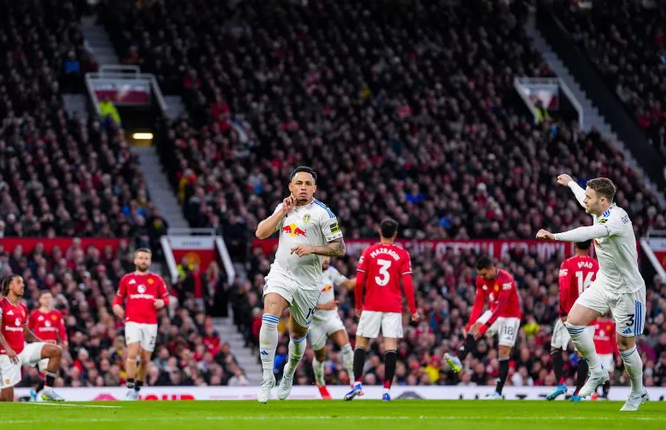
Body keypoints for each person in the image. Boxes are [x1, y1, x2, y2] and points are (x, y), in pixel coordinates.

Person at [536, 175, 648, 411]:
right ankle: (597, 371)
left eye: (589, 197)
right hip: (604, 282)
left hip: (628, 290)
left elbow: (586, 232)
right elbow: (582, 199)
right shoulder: (599, 209)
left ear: (603, 201)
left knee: (625, 346)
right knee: (574, 321)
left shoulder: (616, 219)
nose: (585, 200)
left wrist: (556, 236)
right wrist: (571, 184)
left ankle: (638, 392)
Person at [254, 166, 346, 404]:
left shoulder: (324, 214)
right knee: (269, 316)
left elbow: (340, 248)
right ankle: (267, 378)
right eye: (299, 183)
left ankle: (289, 372)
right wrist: (282, 212)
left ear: (314, 188)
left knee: (297, 335)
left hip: (308, 283)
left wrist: (312, 248)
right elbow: (260, 233)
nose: (303, 187)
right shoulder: (283, 208)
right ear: (291, 187)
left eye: (307, 184)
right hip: (281, 274)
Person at [345, 218, 418, 402]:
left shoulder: (369, 252)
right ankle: (386, 391)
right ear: (395, 234)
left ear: (379, 232)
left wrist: (358, 305)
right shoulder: (402, 254)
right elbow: (408, 284)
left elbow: (359, 282)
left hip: (371, 305)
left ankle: (358, 384)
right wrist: (413, 309)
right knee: (390, 347)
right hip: (393, 307)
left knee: (361, 344)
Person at [444, 256, 522, 400]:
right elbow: (478, 303)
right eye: (480, 274)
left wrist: (486, 326)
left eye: (484, 274)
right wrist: (470, 324)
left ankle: (498, 393)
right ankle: (459, 359)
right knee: (474, 328)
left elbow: (501, 306)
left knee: (503, 352)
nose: (482, 277)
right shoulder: (480, 280)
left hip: (510, 317)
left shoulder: (506, 280)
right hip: (493, 312)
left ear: (492, 269)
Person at [112, 248, 170, 401]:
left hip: (150, 324)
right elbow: (117, 300)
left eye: (146, 258)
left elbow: (166, 298)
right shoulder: (127, 279)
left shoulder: (157, 280)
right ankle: (129, 388)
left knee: (145, 359)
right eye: (141, 258)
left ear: (149, 261)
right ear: (135, 260)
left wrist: (162, 302)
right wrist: (116, 307)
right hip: (132, 321)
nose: (143, 261)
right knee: (132, 354)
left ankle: (137, 388)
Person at [547, 240, 598, 402]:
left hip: (571, 313)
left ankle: (560, 384)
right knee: (582, 354)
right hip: (588, 315)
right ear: (589, 247)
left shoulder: (568, 264)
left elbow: (565, 288)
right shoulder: (596, 266)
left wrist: (563, 312)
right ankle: (577, 393)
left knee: (556, 346)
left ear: (575, 246)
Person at [0, 275, 64, 402]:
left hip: (23, 349)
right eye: (18, 282)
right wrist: (7, 348)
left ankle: (47, 391)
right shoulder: (2, 306)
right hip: (6, 355)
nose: (23, 285)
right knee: (7, 399)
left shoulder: (22, 307)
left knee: (56, 350)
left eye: (23, 282)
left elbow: (25, 331)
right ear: (10, 286)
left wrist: (41, 341)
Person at [310, 256, 356, 399]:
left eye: (328, 258)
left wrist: (366, 274)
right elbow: (301, 304)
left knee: (346, 347)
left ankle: (354, 383)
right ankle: (320, 383)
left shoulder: (331, 271)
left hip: (331, 317)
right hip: (315, 322)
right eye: (323, 258)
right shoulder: (306, 275)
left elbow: (349, 284)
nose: (326, 261)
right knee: (320, 356)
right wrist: (325, 306)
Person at [592, 313, 618, 399]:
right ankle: (595, 393)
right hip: (595, 353)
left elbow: (614, 340)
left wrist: (617, 355)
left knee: (607, 374)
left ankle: (605, 393)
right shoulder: (593, 322)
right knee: (595, 373)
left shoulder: (611, 324)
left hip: (607, 354)